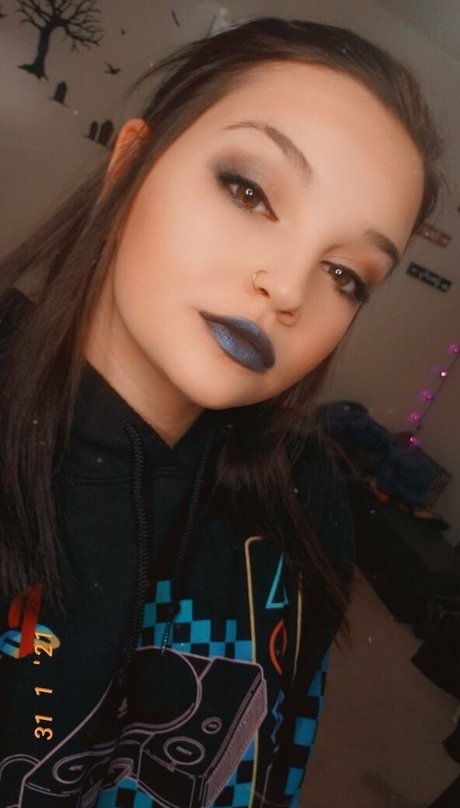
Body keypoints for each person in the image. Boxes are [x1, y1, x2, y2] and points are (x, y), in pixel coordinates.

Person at [0, 16, 440, 808]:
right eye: (249, 192)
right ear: (130, 163)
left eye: (345, 274)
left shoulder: (306, 513)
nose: (288, 288)